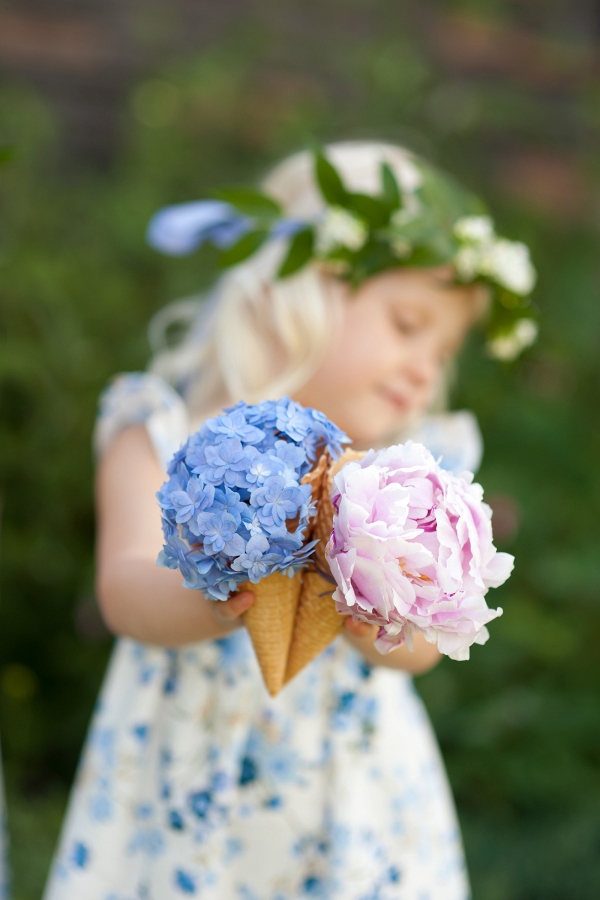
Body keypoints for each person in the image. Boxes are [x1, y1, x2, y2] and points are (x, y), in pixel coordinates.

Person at [43, 141, 535, 900]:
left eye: (443, 351)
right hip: (183, 780)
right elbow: (124, 588)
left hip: (353, 795)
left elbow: (427, 650)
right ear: (305, 287)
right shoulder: (161, 428)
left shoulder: (408, 473)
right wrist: (213, 596)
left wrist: (386, 621)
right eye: (408, 325)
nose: (424, 371)